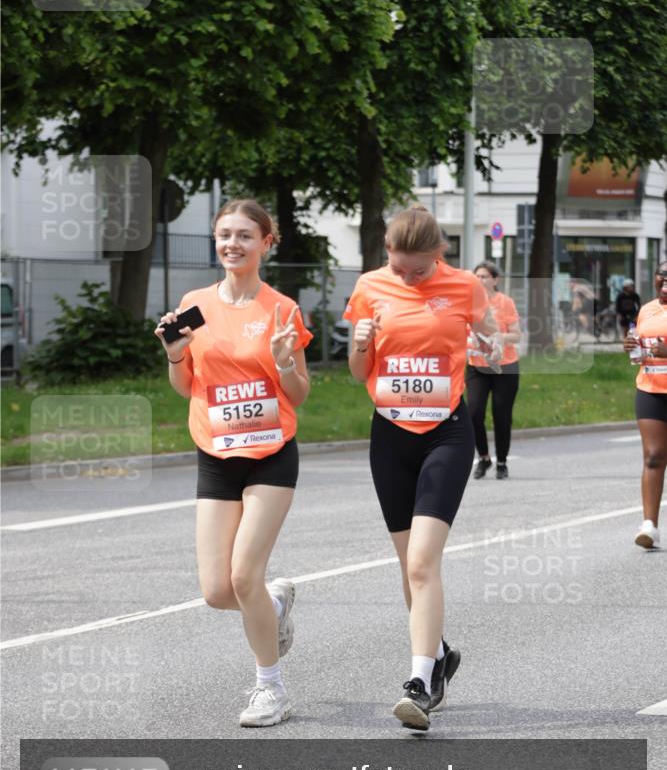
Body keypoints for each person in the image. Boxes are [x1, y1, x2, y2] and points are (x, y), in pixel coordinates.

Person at [344, 204, 502, 731]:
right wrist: (361, 344)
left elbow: (492, 342)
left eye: (419, 269)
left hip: (445, 433)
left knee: (421, 562)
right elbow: (357, 370)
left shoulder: (465, 287)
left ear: (441, 253)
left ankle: (419, 682)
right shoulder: (369, 286)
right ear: (386, 252)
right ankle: (439, 653)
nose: (407, 278)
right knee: (407, 567)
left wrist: (490, 344)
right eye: (398, 267)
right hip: (389, 433)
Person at [155, 199, 312, 726]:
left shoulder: (281, 309)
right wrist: (176, 352)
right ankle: (275, 603)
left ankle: (271, 689)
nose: (232, 244)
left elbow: (300, 394)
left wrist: (286, 360)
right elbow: (186, 385)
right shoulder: (196, 304)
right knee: (217, 591)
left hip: (270, 453)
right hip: (216, 453)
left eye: (245, 235)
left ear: (267, 243)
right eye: (225, 235)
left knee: (244, 576)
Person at [623, 260, 667, 549]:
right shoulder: (647, 309)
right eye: (660, 281)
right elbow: (643, 350)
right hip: (650, 387)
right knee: (653, 456)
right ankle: (649, 526)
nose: (664, 287)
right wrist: (632, 347)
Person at [466, 261, 521, 480]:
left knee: (501, 415)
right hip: (476, 366)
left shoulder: (504, 302)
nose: (479, 280)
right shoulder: (468, 303)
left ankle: (501, 462)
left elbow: (516, 334)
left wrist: (499, 337)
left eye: (484, 277)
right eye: (476, 276)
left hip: (504, 367)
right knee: (474, 413)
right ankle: (484, 457)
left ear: (495, 280)